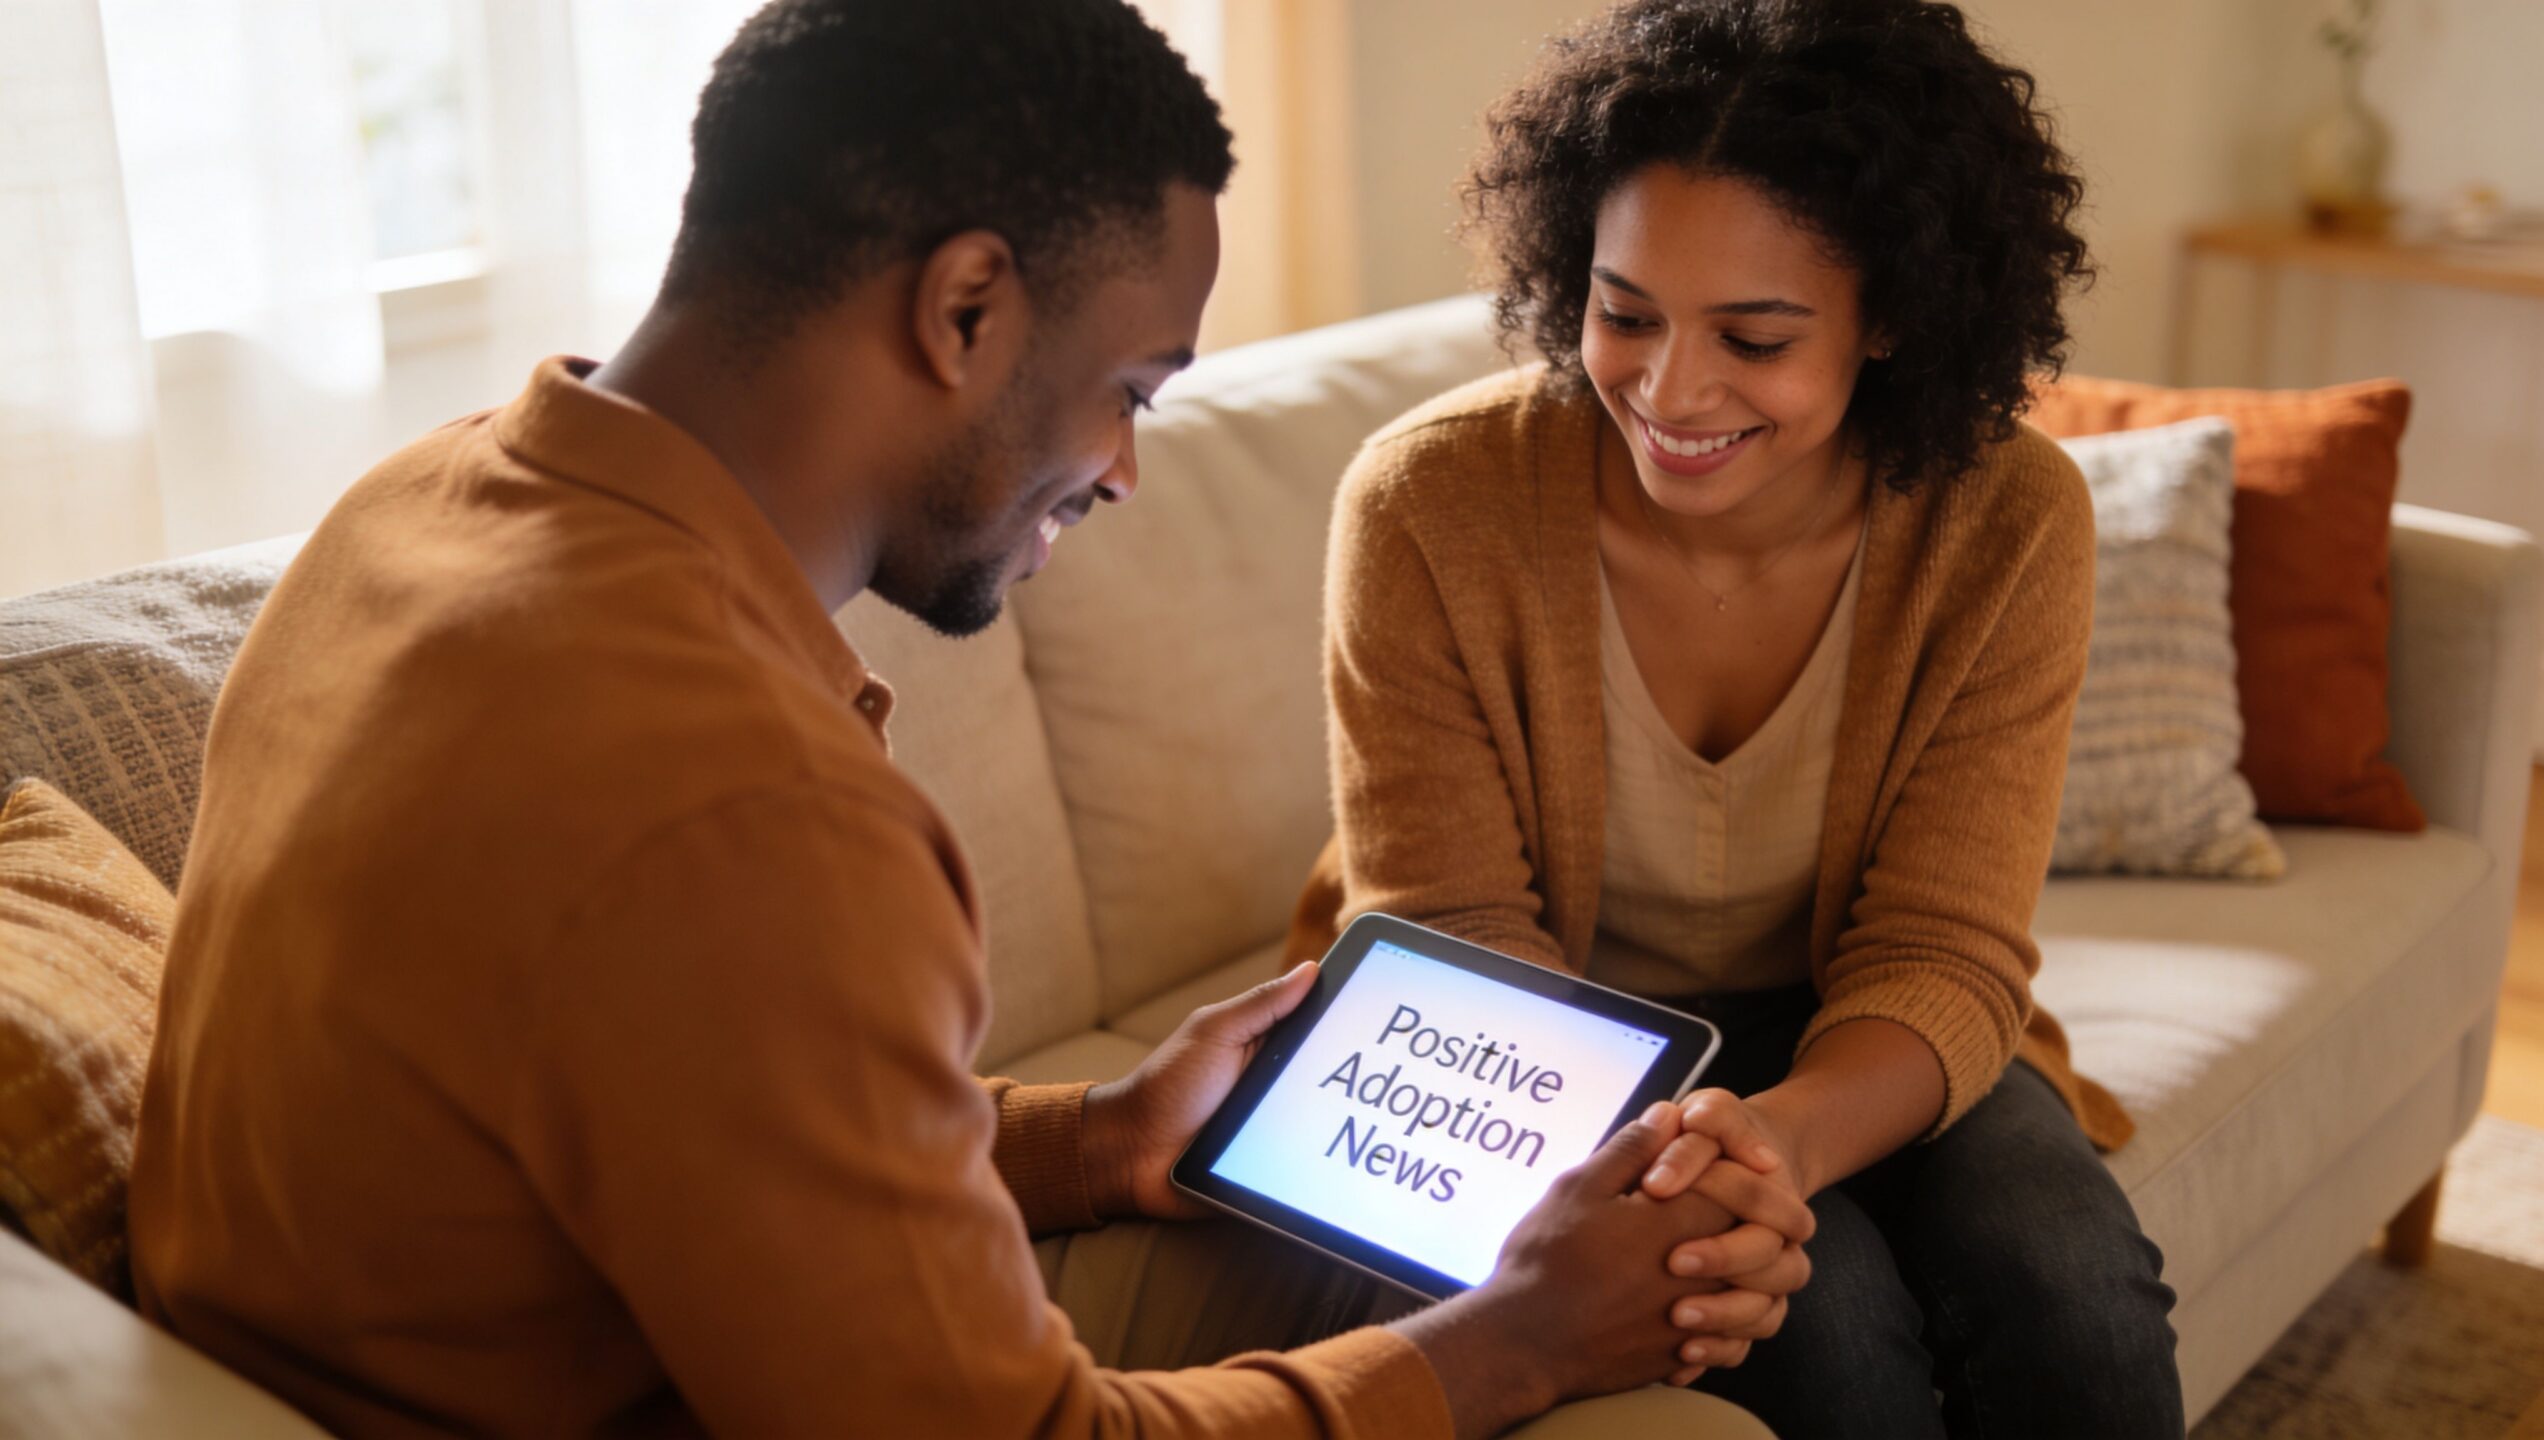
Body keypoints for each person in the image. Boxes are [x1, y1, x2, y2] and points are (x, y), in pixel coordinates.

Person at [127, 2, 1791, 1437]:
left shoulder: (414, 512)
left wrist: (1103, 1139)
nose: (1129, 468)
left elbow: (682, 1109)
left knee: (1374, 1224)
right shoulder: (738, 804)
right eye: (1134, 389)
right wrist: (1516, 1344)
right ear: (967, 307)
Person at [1288, 0, 2185, 1435]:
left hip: (1859, 1007)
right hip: (1535, 1038)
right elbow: (1450, 937)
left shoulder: (2006, 519)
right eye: (1623, 313)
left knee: (2074, 1296)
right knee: (1825, 1346)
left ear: (1893, 315)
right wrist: (1678, 1150)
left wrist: (1775, 1134)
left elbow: (1948, 945)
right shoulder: (1426, 505)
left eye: (1754, 338)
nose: (1670, 390)